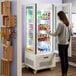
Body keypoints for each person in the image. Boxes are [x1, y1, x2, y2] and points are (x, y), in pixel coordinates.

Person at [47, 11, 73, 76]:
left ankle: (63, 74)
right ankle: (65, 73)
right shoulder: (68, 23)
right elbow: (71, 34)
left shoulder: (60, 24)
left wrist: (48, 32)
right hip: (67, 44)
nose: (57, 17)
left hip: (61, 44)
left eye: (58, 16)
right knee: (66, 59)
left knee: (62, 59)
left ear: (60, 16)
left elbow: (56, 33)